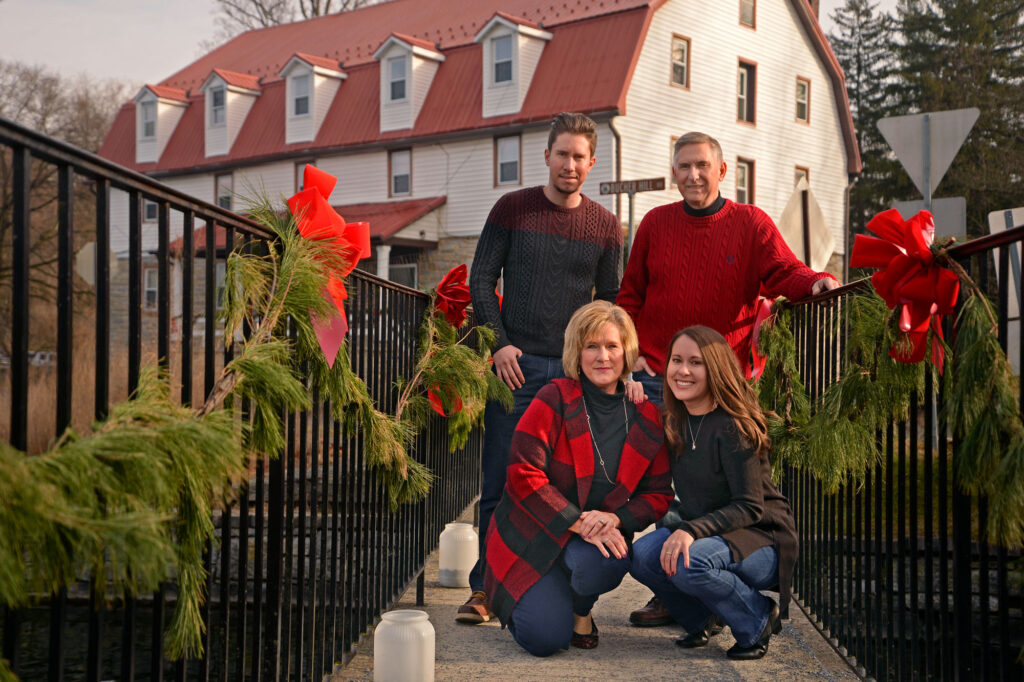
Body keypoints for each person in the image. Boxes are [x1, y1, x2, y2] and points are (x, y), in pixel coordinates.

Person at [617, 131, 835, 625]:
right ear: (674, 173)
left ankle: (713, 578)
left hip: (724, 381)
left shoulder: (749, 224)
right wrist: (631, 356)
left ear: (721, 172)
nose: (692, 175)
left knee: (721, 483)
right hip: (659, 375)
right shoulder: (654, 223)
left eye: (701, 166)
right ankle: (673, 588)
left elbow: (784, 271)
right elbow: (630, 295)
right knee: (661, 481)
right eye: (683, 167)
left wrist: (815, 282)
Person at [458, 113, 623, 624]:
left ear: (591, 163)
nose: (569, 164)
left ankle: (549, 586)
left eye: (579, 157)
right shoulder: (512, 209)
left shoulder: (605, 226)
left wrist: (605, 366)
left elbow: (611, 300)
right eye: (562, 154)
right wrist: (500, 346)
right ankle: (486, 588)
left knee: (564, 484)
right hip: (515, 368)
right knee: (502, 477)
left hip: (573, 375)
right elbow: (480, 279)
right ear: (546, 156)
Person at [483, 301, 673, 656]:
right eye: (592, 346)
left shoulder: (646, 416)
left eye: (612, 346)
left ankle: (579, 607)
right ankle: (541, 598)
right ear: (577, 352)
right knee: (545, 640)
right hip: (532, 535)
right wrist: (578, 522)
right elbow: (523, 473)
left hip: (589, 545)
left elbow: (660, 493)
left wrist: (617, 518)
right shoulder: (553, 397)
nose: (603, 357)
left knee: (608, 559)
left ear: (626, 352)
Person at [629, 326, 798, 660]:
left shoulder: (734, 426)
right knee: (642, 557)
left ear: (716, 369)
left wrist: (690, 530)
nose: (683, 370)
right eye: (676, 360)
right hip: (712, 534)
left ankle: (758, 617)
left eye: (696, 362)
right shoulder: (675, 422)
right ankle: (701, 617)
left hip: (760, 538)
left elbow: (750, 507)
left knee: (690, 563)